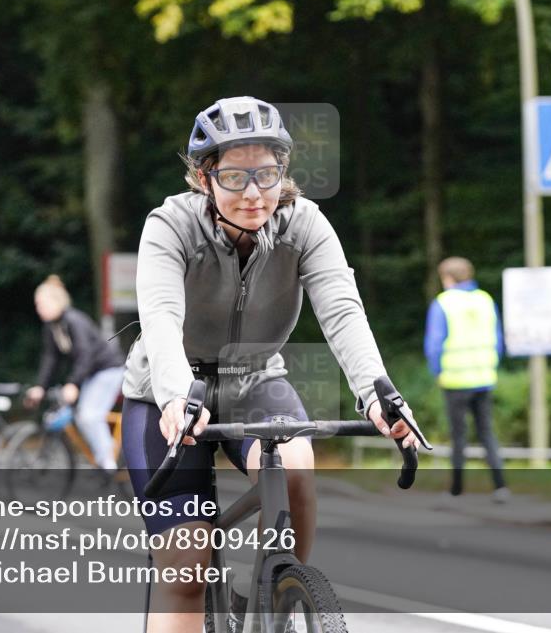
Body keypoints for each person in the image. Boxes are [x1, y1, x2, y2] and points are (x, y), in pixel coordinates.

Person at [121, 96, 420, 632]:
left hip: (255, 380)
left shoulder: (304, 224)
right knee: (186, 569)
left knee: (298, 469)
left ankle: (284, 593)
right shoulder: (169, 226)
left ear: (284, 170)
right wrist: (172, 395)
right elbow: (161, 317)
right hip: (166, 393)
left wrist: (377, 394)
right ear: (203, 177)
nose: (255, 192)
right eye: (235, 176)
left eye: (267, 173)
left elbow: (342, 311)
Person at [424, 257, 509, 502]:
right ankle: (501, 486)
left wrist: (437, 371)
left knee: (458, 437)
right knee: (487, 434)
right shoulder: (485, 300)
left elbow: (434, 344)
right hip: (484, 377)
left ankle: (457, 490)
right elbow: (498, 340)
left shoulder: (444, 303)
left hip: (455, 380)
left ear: (448, 278)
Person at [25, 275, 125, 473]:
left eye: (42, 304)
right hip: (91, 373)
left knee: (89, 416)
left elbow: (85, 355)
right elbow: (50, 360)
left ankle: (108, 462)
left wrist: (74, 383)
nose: (39, 309)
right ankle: (102, 457)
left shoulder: (74, 320)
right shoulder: (51, 327)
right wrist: (41, 387)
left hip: (108, 369)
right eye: (37, 305)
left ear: (57, 302)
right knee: (78, 414)